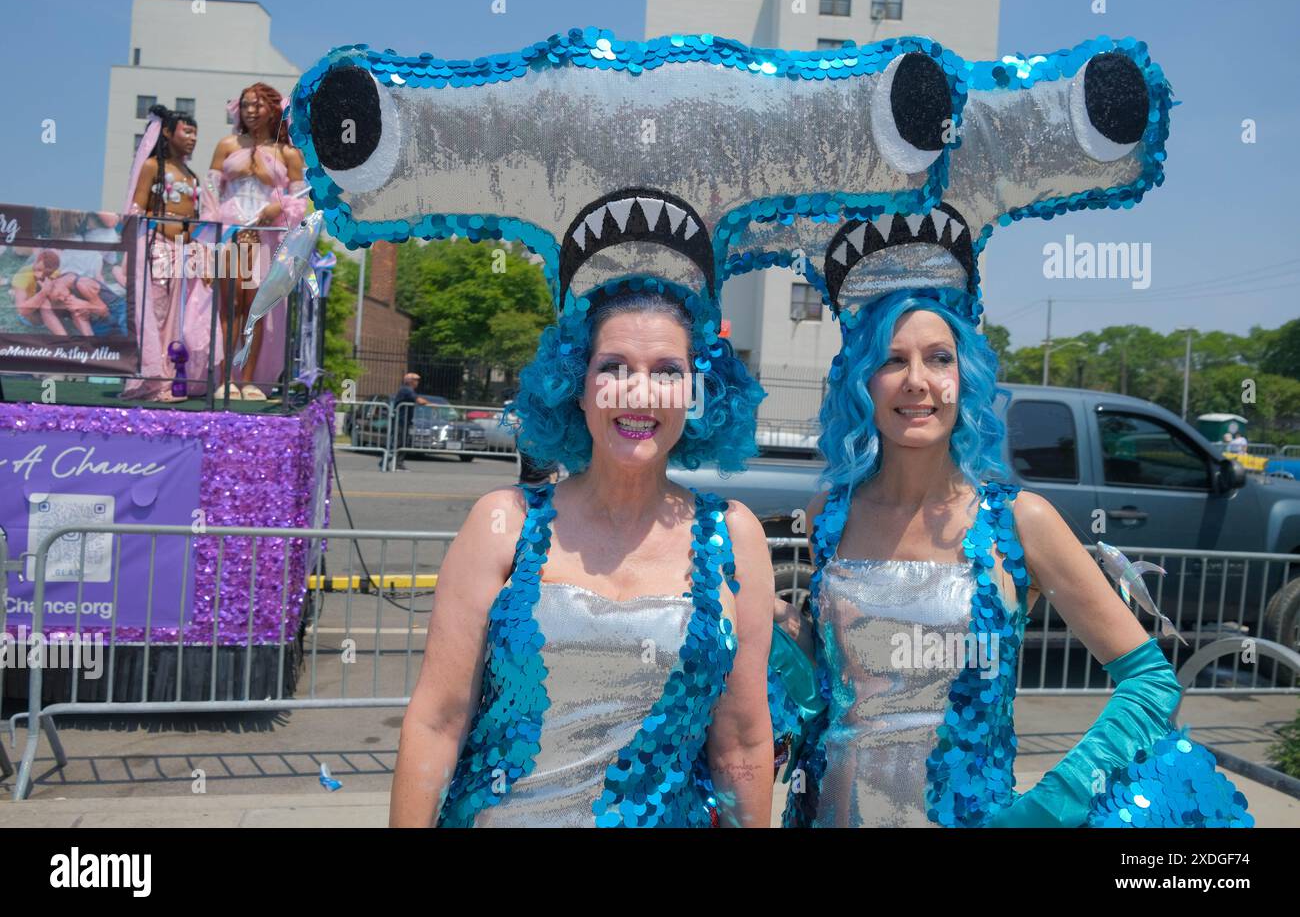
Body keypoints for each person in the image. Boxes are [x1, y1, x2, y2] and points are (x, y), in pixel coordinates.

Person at [783, 288, 1251, 828]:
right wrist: (785, 639)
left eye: (939, 358)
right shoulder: (828, 515)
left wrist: (1054, 804)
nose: (917, 380)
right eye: (892, 359)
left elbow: (1150, 681)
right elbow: (840, 688)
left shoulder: (1020, 521)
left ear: (966, 378)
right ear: (862, 381)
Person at [390, 275, 774, 827]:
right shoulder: (504, 524)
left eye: (667, 372)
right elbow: (437, 722)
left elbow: (741, 744)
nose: (638, 393)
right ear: (577, 384)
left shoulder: (734, 535)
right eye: (613, 367)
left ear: (695, 394)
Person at [207, 83, 307, 400]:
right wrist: (209, 239)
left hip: (266, 237)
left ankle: (249, 380)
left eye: (258, 105)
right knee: (230, 307)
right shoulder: (226, 144)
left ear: (273, 109)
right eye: (246, 105)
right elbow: (211, 195)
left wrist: (280, 207)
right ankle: (225, 377)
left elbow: (300, 201)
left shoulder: (289, 153)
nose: (251, 110)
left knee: (256, 308)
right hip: (229, 234)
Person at [121, 104, 222, 401]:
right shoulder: (153, 167)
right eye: (187, 131)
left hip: (183, 252)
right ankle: (152, 382)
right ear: (167, 132)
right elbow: (137, 207)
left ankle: (172, 380)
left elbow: (198, 218)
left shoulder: (192, 175)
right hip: (157, 248)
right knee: (155, 314)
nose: (193, 138)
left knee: (178, 320)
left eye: (195, 134)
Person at [389, 372, 431, 471]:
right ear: (410, 381)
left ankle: (391, 463)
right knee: (400, 443)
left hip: (404, 421)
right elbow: (419, 400)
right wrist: (430, 404)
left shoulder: (408, 390)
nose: (417, 382)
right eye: (416, 380)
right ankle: (397, 465)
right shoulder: (406, 390)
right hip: (400, 421)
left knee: (401, 442)